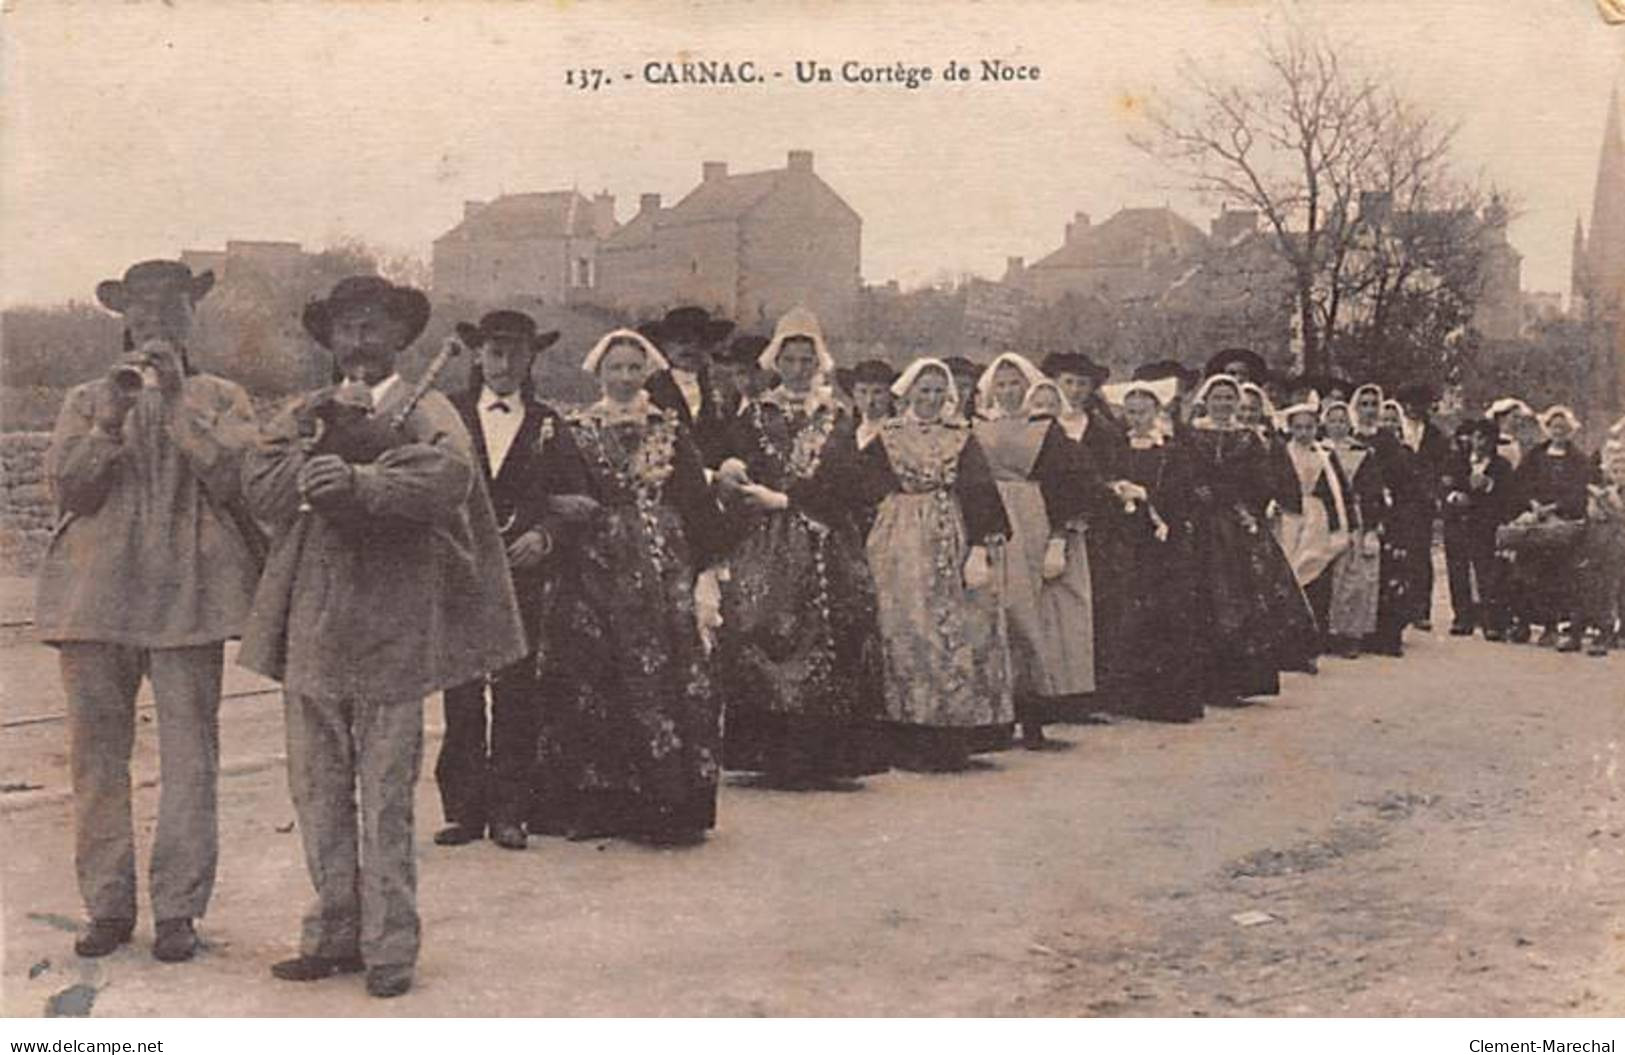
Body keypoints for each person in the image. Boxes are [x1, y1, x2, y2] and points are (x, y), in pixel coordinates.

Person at [241, 276, 525, 998]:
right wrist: (315, 466)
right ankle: (332, 931)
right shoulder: (305, 413)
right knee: (316, 790)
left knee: (386, 793)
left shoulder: (428, 408)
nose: (359, 340)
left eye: (374, 326)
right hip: (313, 622)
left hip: (393, 627)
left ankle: (390, 946)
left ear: (401, 336)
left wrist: (362, 481)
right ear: (329, 340)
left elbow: (447, 476)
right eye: (346, 328)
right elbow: (261, 485)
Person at [36, 260, 259, 963]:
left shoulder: (223, 396)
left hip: (188, 596)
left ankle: (178, 912)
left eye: (174, 307)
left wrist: (179, 401)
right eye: (145, 307)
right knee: (97, 762)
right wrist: (113, 416)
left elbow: (237, 479)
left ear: (194, 317)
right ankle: (106, 906)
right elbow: (69, 491)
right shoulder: (86, 396)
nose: (158, 318)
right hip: (95, 598)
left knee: (191, 760)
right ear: (124, 317)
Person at [531, 328, 731, 844]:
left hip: (662, 565)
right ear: (599, 373)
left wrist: (708, 569)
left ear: (648, 374)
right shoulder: (574, 428)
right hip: (593, 564)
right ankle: (596, 802)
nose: (623, 378)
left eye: (632, 369)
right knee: (594, 675)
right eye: (614, 368)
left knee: (663, 676)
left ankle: (664, 803)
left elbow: (694, 499)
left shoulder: (668, 428)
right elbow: (550, 490)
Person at [432, 311, 592, 851]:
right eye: (495, 353)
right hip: (459, 568)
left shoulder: (549, 423)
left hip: (522, 575)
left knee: (517, 692)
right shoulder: (446, 415)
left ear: (531, 359)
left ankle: (510, 810)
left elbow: (580, 498)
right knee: (461, 690)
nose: (504, 365)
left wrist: (545, 537)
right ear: (478, 356)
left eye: (516, 354)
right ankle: (464, 809)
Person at [812, 358, 1013, 770]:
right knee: (901, 628)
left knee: (950, 632)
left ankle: (948, 735)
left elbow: (980, 491)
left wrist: (977, 548)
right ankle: (901, 732)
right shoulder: (889, 436)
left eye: (939, 392)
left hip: (948, 534)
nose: (932, 400)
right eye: (924, 391)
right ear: (908, 393)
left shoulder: (962, 436)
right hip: (897, 539)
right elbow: (851, 483)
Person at [712, 307, 885, 785]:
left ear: (819, 363)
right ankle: (772, 754)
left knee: (831, 630)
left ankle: (823, 756)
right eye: (789, 359)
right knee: (760, 628)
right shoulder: (756, 413)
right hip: (764, 540)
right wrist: (731, 467)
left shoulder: (837, 417)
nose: (798, 368)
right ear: (776, 361)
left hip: (824, 536)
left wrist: (790, 498)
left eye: (807, 360)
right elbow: (733, 454)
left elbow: (849, 480)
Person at [970, 355, 1099, 746]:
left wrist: (1059, 537)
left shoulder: (1046, 430)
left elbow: (1072, 485)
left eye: (1016, 384)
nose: (1009, 392)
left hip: (1030, 524)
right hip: (987, 522)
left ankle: (1033, 713)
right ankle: (991, 715)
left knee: (1029, 617)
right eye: (1002, 385)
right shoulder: (975, 428)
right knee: (987, 614)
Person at [1183, 374, 1318, 704]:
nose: (1223, 404)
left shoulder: (1250, 439)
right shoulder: (1190, 435)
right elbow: (1183, 473)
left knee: (1237, 598)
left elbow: (1263, 482)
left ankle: (1233, 682)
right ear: (1206, 400)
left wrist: (1241, 506)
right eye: (1217, 398)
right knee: (1198, 596)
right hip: (1199, 523)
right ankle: (1198, 680)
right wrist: (1198, 497)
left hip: (1236, 524)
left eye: (1230, 398)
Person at [1094, 378, 1204, 722]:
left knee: (1164, 613)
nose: (1137, 419)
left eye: (1143, 412)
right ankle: (1126, 695)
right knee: (1125, 611)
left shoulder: (1171, 450)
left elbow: (1184, 494)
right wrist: (1116, 489)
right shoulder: (1116, 447)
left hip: (1162, 543)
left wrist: (1151, 499)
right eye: (1131, 412)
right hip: (1124, 540)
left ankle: (1166, 699)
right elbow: (1103, 481)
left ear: (1157, 412)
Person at [1507, 406, 1591, 651]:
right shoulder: (1535, 455)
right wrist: (1533, 505)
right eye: (1554, 427)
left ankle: (1551, 626)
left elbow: (1579, 493)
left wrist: (1555, 508)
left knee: (1556, 577)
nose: (1558, 432)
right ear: (1547, 428)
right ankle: (1522, 623)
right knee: (1525, 572)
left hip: (1562, 523)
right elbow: (1521, 483)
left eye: (1563, 428)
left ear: (1570, 431)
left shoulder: (1578, 460)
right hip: (1534, 518)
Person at [1273, 397, 1350, 649]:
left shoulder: (1325, 455)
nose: (1304, 433)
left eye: (1309, 427)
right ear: (1290, 428)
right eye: (1299, 427)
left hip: (1316, 516)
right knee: (1288, 571)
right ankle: (1286, 638)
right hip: (1288, 515)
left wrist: (1341, 525)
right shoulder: (1282, 452)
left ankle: (1313, 639)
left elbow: (1339, 491)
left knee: (1314, 569)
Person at [1349, 383, 1412, 656]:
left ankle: (1384, 634)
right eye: (1364, 404)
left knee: (1386, 571)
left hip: (1383, 509)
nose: (1369, 410)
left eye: (1374, 404)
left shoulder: (1388, 440)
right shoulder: (1347, 435)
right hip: (1352, 508)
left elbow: (1401, 478)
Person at [1321, 401, 1386, 658]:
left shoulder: (1361, 452)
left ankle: (1350, 635)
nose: (1337, 426)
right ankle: (1325, 632)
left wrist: (1370, 524)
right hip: (1324, 517)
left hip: (1353, 518)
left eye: (1342, 421)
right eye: (1332, 421)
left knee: (1353, 578)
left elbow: (1372, 491)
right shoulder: (1318, 449)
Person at [1439, 419, 1513, 639]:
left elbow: (1507, 496)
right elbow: (1442, 487)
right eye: (1477, 438)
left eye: (1486, 440)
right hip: (1457, 522)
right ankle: (1462, 617)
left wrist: (1488, 486)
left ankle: (1491, 621)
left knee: (1486, 571)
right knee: (1457, 569)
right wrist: (1454, 496)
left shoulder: (1501, 466)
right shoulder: (1455, 461)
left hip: (1484, 525)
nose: (1480, 444)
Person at [642, 306, 738, 467]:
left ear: (708, 346)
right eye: (679, 341)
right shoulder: (649, 390)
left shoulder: (725, 387)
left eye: (699, 340)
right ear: (664, 346)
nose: (689, 347)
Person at [1394, 382, 1453, 631]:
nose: (1413, 409)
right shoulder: (1394, 429)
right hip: (1396, 497)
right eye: (1409, 404)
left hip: (1421, 501)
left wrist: (1434, 493)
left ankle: (1420, 609)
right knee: (1395, 552)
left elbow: (1442, 467)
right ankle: (1395, 608)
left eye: (1419, 405)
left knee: (1419, 554)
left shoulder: (1435, 435)